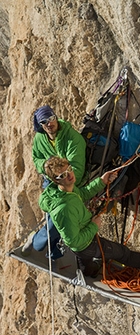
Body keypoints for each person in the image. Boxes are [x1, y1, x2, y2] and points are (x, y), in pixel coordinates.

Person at [39, 156, 140, 276]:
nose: (69, 175)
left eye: (69, 169)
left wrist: (102, 181)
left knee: (86, 262)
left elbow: (83, 193)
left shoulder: (66, 190)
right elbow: (73, 242)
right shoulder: (63, 209)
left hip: (83, 240)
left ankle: (88, 270)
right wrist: (94, 226)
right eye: (62, 175)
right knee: (122, 252)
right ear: (56, 181)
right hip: (86, 244)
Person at [22, 105, 87, 258]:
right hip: (51, 182)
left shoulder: (72, 138)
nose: (49, 124)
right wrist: (46, 168)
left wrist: (60, 181)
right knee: (57, 221)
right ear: (40, 125)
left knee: (56, 222)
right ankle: (54, 252)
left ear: (56, 117)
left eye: (51, 119)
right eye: (44, 122)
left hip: (69, 183)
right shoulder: (40, 138)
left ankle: (37, 242)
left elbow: (76, 170)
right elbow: (36, 158)